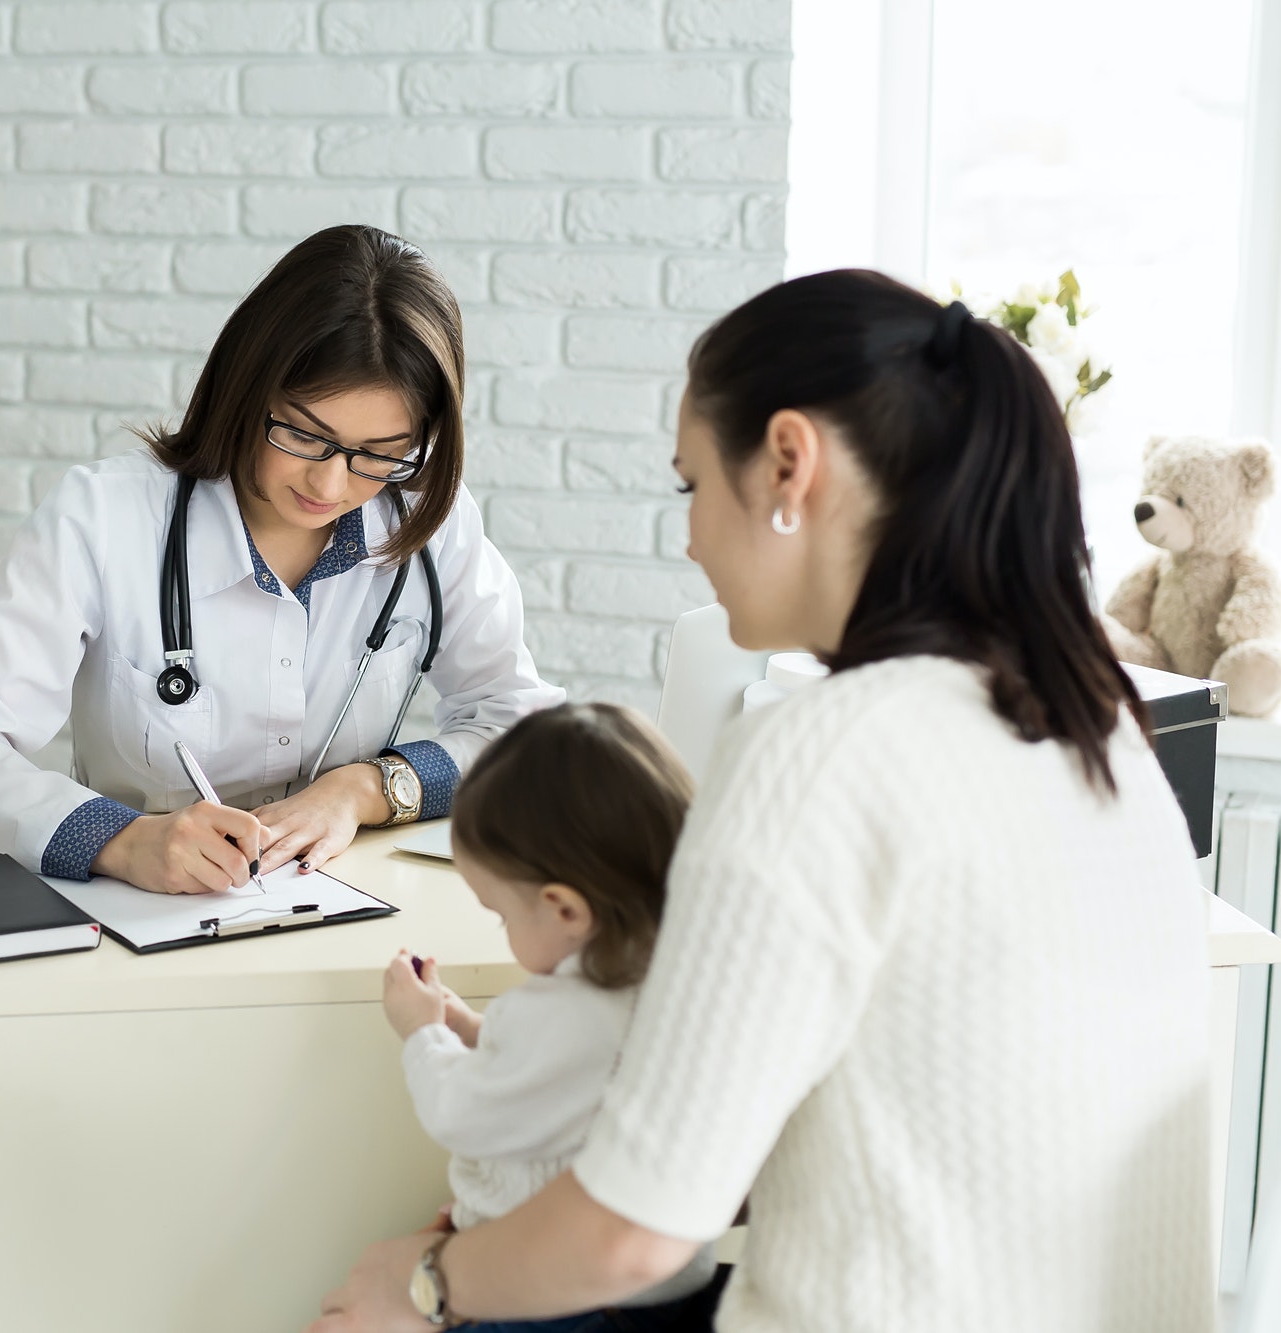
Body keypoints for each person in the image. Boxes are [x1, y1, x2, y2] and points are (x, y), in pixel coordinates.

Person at [313, 270, 1216, 1332]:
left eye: (689, 485)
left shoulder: (817, 750)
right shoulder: (1097, 725)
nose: (689, 538)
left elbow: (631, 1232)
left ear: (788, 461)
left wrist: (422, 1285)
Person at [0, 226, 562, 895]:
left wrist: (363, 789)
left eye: (379, 453)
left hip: (344, 911)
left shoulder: (428, 524)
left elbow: (523, 732)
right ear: (247, 387)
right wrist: (123, 840)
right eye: (304, 434)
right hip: (142, 919)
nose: (331, 486)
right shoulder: (104, 518)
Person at [380, 703, 721, 1333]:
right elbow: (564, 1082)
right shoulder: (676, 980)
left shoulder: (569, 1009)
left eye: (502, 914)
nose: (503, 930)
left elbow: (468, 1113)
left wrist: (421, 1032)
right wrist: (462, 1023)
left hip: (561, 1301)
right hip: (666, 1288)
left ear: (564, 910)